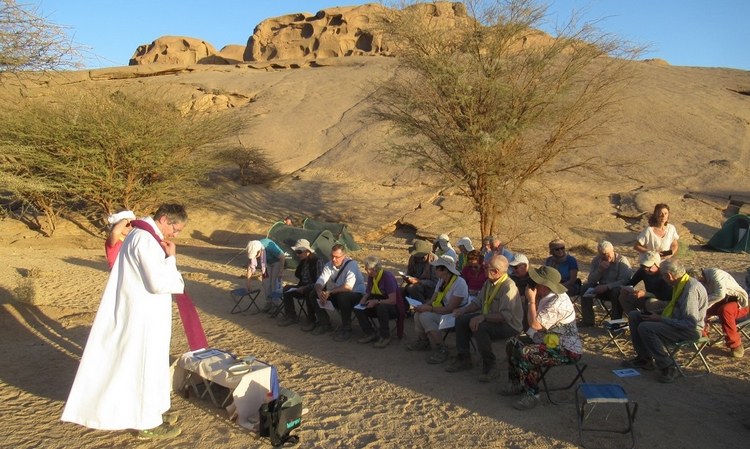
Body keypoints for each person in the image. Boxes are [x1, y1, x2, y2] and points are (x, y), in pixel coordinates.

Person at [62, 204, 188, 439]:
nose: (176, 235)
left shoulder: (142, 236)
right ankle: (146, 423)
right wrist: (171, 260)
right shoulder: (145, 240)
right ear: (164, 220)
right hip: (142, 319)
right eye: (176, 229)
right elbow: (159, 283)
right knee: (142, 367)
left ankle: (154, 412)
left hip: (146, 315)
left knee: (152, 366)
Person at [500, 265, 582, 410]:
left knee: (526, 352)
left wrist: (531, 301)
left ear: (544, 285)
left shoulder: (557, 302)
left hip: (566, 349)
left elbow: (535, 324)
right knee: (512, 343)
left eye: (536, 281)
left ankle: (532, 395)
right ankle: (516, 383)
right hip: (548, 341)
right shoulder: (547, 297)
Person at [623, 259, 708, 383]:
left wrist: (661, 319)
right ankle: (644, 359)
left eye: (662, 276)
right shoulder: (680, 283)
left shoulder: (690, 290)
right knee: (635, 316)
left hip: (690, 330)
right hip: (676, 320)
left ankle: (667, 366)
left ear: (669, 275)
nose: (662, 279)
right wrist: (659, 315)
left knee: (646, 327)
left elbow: (690, 323)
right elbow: (674, 309)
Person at [446, 255, 523, 382]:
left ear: (495, 271)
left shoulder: (508, 287)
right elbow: (477, 302)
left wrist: (482, 317)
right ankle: (464, 358)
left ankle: (490, 366)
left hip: (510, 325)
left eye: (486, 267)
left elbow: (504, 316)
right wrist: (462, 310)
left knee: (480, 327)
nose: (483, 268)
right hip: (490, 317)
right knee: (461, 320)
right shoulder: (489, 282)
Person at [407, 255, 469, 364]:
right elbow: (432, 299)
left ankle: (442, 348)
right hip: (443, 309)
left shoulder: (460, 283)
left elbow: (450, 308)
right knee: (418, 314)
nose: (434, 270)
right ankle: (424, 341)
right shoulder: (441, 281)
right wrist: (422, 306)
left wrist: (429, 309)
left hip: (456, 314)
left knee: (425, 316)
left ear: (445, 270)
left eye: (437, 268)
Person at [305, 244, 366, 341]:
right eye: (332, 256)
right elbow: (320, 281)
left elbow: (348, 287)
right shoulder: (329, 265)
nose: (334, 259)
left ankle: (346, 329)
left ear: (344, 256)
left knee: (343, 297)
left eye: (337, 257)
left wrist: (329, 292)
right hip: (338, 292)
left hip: (356, 294)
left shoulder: (351, 264)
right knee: (313, 294)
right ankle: (324, 323)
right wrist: (320, 292)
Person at [690, 267, 749, 358]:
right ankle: (703, 337)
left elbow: (720, 294)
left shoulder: (716, 274)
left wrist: (703, 304)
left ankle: (736, 346)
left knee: (725, 310)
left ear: (701, 277)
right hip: (718, 302)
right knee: (695, 309)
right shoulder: (698, 282)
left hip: (738, 301)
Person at [354, 255, 404, 348]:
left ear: (373, 269)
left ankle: (385, 336)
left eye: (366, 268)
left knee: (381, 307)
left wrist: (377, 302)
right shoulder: (371, 277)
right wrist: (363, 300)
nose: (366, 270)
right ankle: (370, 333)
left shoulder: (387, 276)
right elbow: (368, 292)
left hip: (391, 307)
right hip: (376, 301)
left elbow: (393, 300)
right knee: (358, 308)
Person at [580, 240, 632, 326]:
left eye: (608, 254)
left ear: (613, 251)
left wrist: (607, 286)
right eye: (603, 255)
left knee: (617, 291)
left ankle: (616, 323)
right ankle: (588, 321)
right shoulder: (596, 260)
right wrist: (599, 270)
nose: (607, 257)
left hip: (614, 290)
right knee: (585, 288)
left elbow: (625, 281)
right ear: (599, 254)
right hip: (601, 290)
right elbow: (591, 280)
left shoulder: (622, 261)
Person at [277, 239, 324, 327]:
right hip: (302, 286)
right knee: (287, 289)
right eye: (296, 252)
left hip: (315, 288)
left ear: (307, 251)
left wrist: (305, 287)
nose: (297, 254)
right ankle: (291, 316)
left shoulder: (318, 261)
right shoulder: (303, 261)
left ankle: (311, 319)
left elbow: (320, 281)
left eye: (299, 252)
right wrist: (301, 287)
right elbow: (300, 276)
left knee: (308, 292)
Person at [616, 251, 672, 319]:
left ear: (657, 264)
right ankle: (636, 318)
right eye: (643, 266)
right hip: (647, 298)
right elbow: (632, 282)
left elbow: (665, 296)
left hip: (665, 302)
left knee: (650, 302)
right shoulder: (642, 271)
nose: (646, 269)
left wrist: (646, 294)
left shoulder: (664, 274)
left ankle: (650, 321)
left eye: (649, 266)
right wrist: (625, 289)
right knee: (623, 297)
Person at [246, 238, 286, 312]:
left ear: (259, 251)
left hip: (276, 262)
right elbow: (250, 265)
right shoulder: (253, 248)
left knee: (274, 283)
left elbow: (282, 256)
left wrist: (281, 271)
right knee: (266, 283)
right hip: (266, 264)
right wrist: (248, 281)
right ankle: (269, 302)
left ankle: (275, 304)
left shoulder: (268, 246)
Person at [510, 254, 532, 330]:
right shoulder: (511, 279)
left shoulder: (534, 279)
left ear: (525, 266)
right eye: (512, 267)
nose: (514, 270)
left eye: (516, 267)